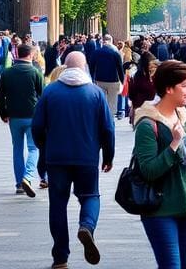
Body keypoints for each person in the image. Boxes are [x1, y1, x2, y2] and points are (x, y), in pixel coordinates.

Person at [31, 50, 115, 269]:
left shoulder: (50, 92)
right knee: (91, 196)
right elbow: (107, 128)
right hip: (87, 157)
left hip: (57, 158)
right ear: (84, 66)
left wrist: (44, 147)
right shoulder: (95, 93)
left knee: (57, 205)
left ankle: (60, 258)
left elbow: (37, 126)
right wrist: (108, 155)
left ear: (65, 67)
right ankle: (86, 226)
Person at [133, 60, 186, 269]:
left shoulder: (182, 116)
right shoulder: (147, 124)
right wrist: (174, 144)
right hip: (161, 209)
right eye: (185, 85)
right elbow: (148, 170)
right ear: (168, 88)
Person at [0, 43, 44, 197]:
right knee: (33, 148)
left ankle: (19, 184)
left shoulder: (7, 73)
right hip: (32, 116)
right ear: (30, 55)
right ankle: (28, 177)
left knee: (17, 149)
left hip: (14, 117)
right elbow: (42, 95)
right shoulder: (35, 72)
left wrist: (4, 113)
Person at [89, 35, 125, 119]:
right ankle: (110, 118)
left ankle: (102, 117)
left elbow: (91, 66)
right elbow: (120, 68)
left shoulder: (96, 52)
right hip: (113, 80)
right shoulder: (115, 53)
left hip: (99, 80)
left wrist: (92, 78)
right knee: (112, 102)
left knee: (101, 100)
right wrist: (122, 81)